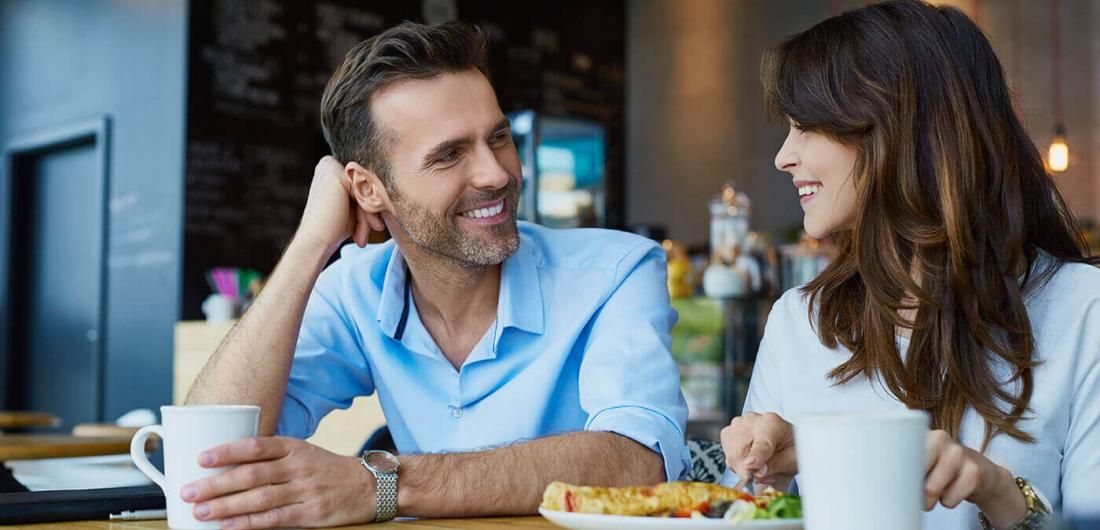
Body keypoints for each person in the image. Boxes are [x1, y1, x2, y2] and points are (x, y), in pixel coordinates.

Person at [183, 21, 689, 529]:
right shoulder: (356, 289)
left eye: (498, 138)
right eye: (449, 155)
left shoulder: (618, 271)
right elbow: (211, 456)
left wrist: (382, 486)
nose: (496, 174)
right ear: (368, 188)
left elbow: (641, 461)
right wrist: (311, 244)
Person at [719, 1, 1100, 529]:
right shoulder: (800, 320)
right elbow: (733, 515)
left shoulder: (1084, 311)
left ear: (899, 129)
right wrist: (767, 486)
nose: (784, 156)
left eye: (807, 126)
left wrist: (996, 490)